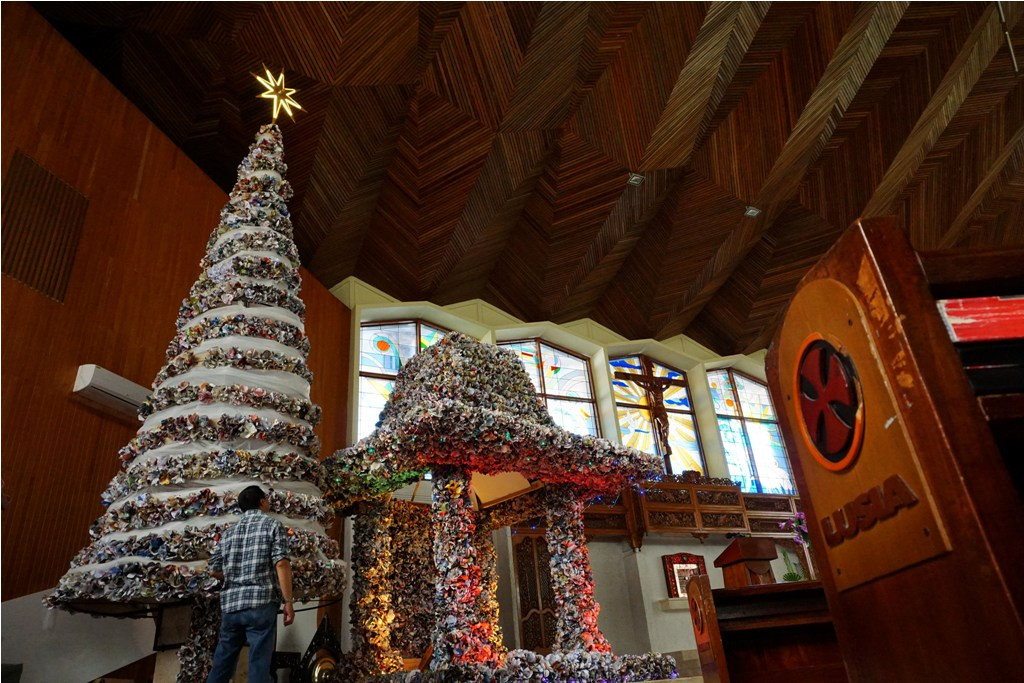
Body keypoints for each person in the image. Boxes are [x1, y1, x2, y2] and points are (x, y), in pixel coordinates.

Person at [206, 485, 295, 683]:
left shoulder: (228, 533)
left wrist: (232, 575)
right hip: (261, 602)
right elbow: (281, 563)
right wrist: (288, 601)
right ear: (262, 501)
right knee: (259, 664)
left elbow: (213, 569)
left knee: (222, 662)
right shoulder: (272, 525)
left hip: (231, 605)